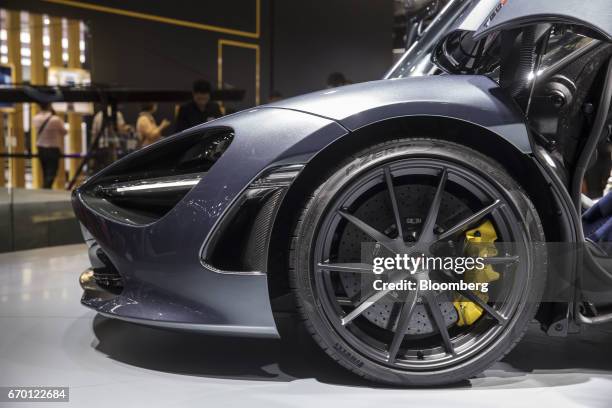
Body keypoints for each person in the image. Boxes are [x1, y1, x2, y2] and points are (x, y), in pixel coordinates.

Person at [33, 102, 67, 189]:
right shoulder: (55, 119)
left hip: (40, 148)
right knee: (52, 171)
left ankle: (46, 187)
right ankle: (46, 188)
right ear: (49, 106)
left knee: (45, 170)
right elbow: (64, 132)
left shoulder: (35, 118)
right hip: (53, 148)